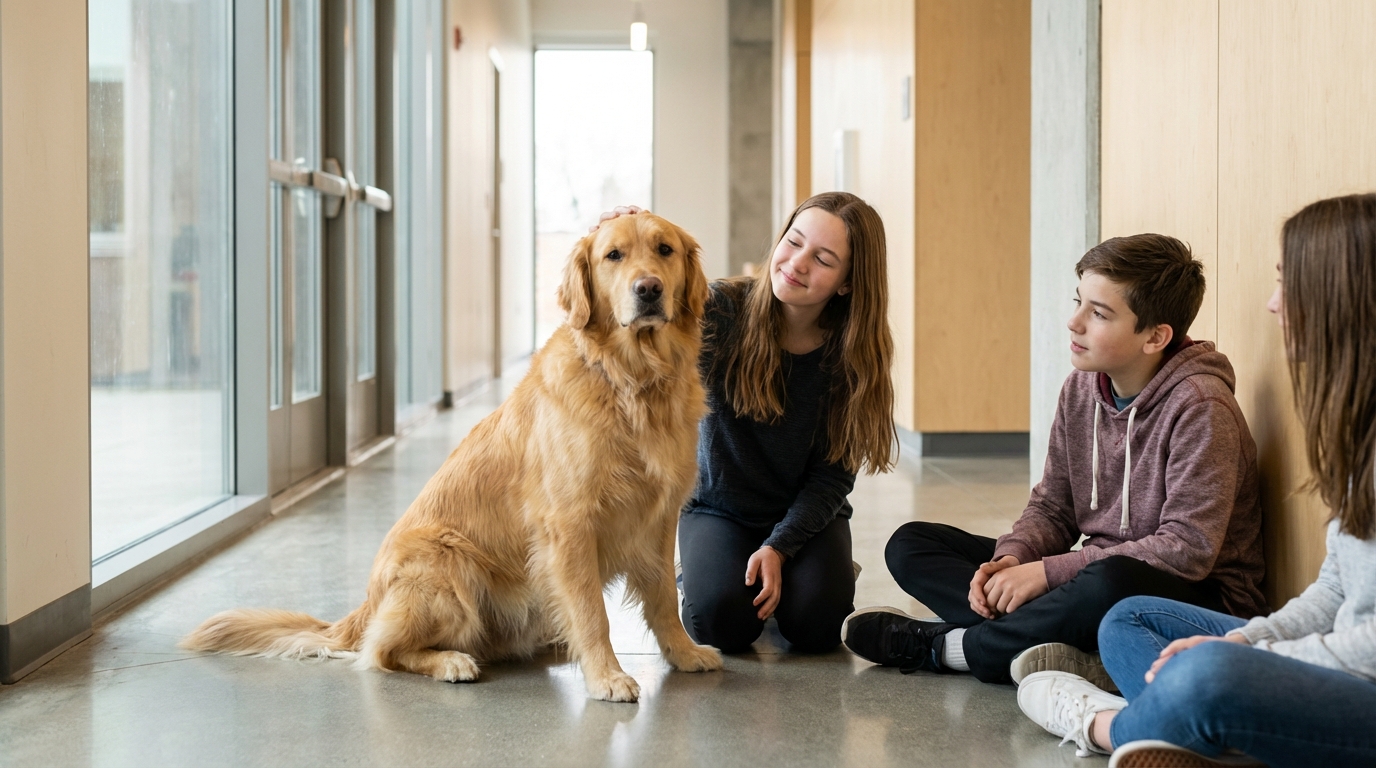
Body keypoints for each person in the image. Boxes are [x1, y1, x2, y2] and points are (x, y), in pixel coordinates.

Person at [1016, 193, 1376, 767]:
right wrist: (1246, 640)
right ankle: (1202, 727)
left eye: (1289, 282)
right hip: (1333, 664)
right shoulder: (1362, 430)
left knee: (1207, 673)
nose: (1273, 304)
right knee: (1130, 618)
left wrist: (1255, 660)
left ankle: (1109, 724)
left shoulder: (1200, 403)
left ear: (1342, 296)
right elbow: (1336, 590)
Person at [842, 235, 1268, 685]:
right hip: (1091, 576)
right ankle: (1052, 641)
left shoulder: (1202, 406)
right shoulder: (1082, 387)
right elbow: (1053, 507)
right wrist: (1012, 559)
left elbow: (1185, 551)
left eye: (1099, 313)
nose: (1074, 322)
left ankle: (953, 647)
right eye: (1078, 302)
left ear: (1156, 336)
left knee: (1110, 582)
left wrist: (1046, 574)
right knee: (911, 543)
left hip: (1195, 601)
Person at [597, 192, 896, 653]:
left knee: (816, 625)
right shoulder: (719, 309)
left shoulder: (854, 357)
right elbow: (644, 300)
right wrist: (623, 239)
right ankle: (702, 569)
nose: (796, 263)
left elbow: (832, 477)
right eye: (793, 242)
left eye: (823, 259)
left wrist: (780, 546)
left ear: (848, 283)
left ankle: (803, 571)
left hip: (806, 515)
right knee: (721, 624)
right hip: (718, 507)